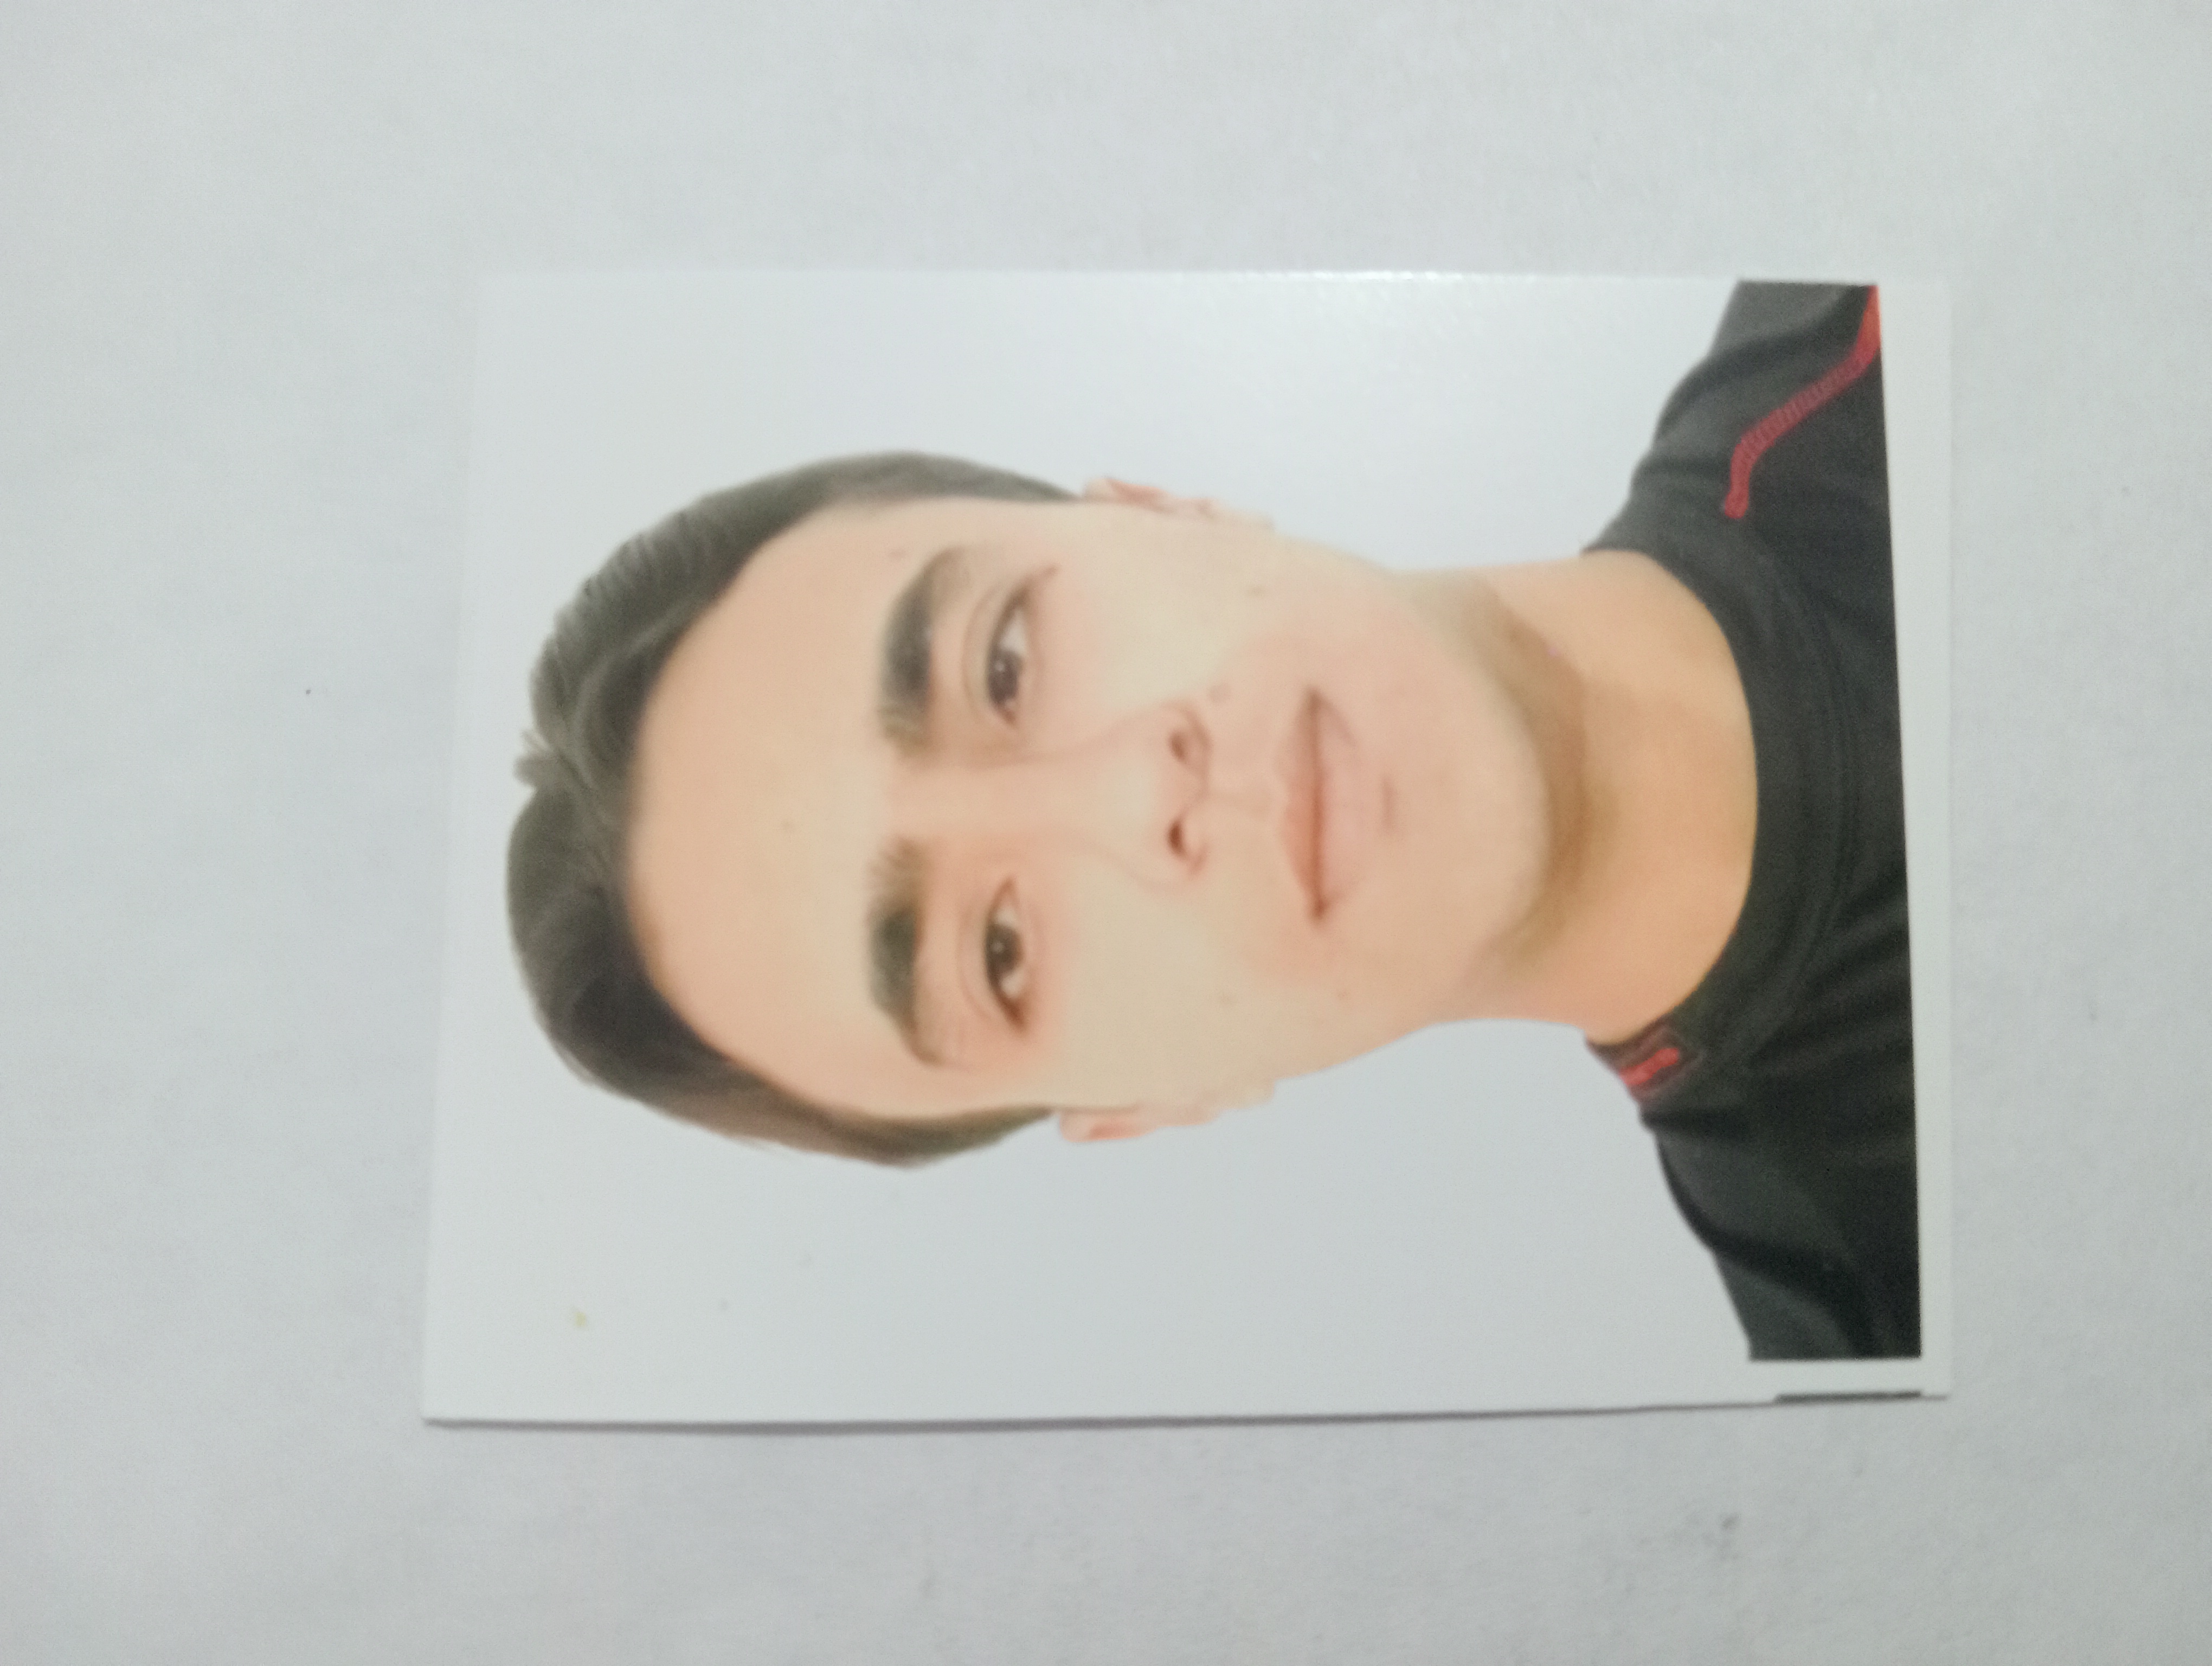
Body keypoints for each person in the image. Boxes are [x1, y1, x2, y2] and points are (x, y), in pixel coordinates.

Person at [507, 283, 1918, 1361]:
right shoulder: (1898, 1353)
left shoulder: (1892, 296)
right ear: (1151, 1107)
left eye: (1005, 664)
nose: (1138, 796)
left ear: (1168, 510)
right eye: (996, 954)